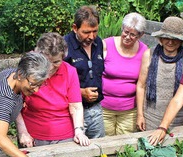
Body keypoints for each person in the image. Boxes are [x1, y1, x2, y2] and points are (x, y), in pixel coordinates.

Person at [17, 32, 90, 147]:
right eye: (46, 61)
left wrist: (79, 131)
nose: (50, 67)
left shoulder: (70, 72)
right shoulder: (28, 70)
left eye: (56, 62)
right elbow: (16, 104)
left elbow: (75, 106)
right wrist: (23, 132)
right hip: (32, 137)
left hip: (65, 136)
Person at [136, 16, 183, 131]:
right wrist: (140, 115)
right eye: (167, 37)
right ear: (161, 38)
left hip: (178, 118)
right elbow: (141, 86)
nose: (170, 42)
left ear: (182, 40)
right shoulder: (150, 55)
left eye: (175, 39)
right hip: (150, 117)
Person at [100, 12, 149, 136]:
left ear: (141, 35)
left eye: (133, 35)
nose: (127, 37)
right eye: (125, 32)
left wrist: (140, 114)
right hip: (104, 107)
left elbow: (142, 84)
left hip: (129, 110)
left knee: (125, 146)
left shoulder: (144, 51)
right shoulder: (106, 45)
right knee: (104, 145)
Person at [64, 5, 105, 139]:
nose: (91, 36)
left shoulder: (98, 43)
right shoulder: (63, 46)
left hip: (96, 109)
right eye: (86, 32)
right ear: (75, 27)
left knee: (100, 150)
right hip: (71, 112)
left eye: (95, 31)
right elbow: (57, 82)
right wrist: (80, 92)